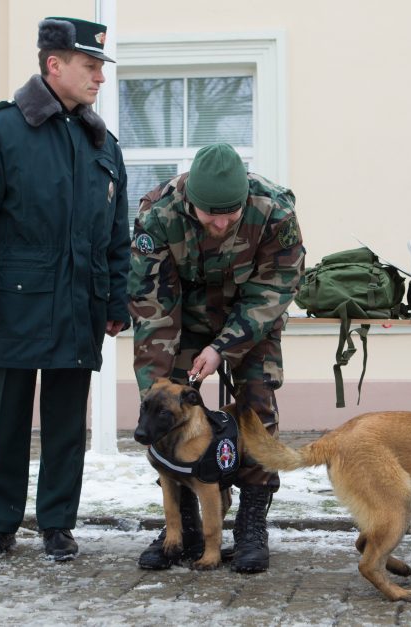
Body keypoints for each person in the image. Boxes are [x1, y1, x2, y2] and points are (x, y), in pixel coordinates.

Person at [0, 17, 130, 562]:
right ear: (54, 64)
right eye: (90, 66)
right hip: (12, 302)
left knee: (68, 424)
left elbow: (116, 234)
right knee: (4, 421)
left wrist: (115, 300)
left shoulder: (101, 141)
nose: (99, 78)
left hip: (80, 304)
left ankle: (57, 524)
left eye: (100, 67)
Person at [129, 143, 305, 573]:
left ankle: (250, 526)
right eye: (212, 214)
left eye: (231, 212)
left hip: (251, 318)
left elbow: (275, 290)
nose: (223, 222)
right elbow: (152, 308)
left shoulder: (274, 211)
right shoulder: (158, 215)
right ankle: (184, 530)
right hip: (181, 318)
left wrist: (222, 347)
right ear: (191, 202)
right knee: (167, 408)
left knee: (256, 409)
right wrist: (156, 389)